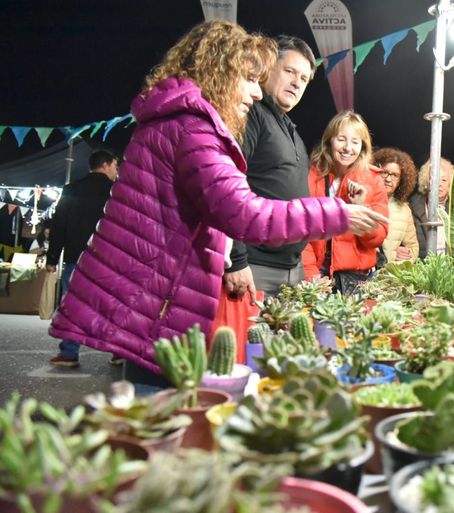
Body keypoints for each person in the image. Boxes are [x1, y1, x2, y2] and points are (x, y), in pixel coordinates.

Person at [48, 21, 386, 379]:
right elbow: (241, 212)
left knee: (165, 400)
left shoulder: (177, 118)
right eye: (251, 79)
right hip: (161, 292)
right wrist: (334, 213)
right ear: (221, 71)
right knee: (167, 402)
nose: (256, 94)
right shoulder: (193, 127)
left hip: (160, 289)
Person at [224, 35, 319, 299]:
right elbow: (226, 185)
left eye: (303, 79)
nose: (296, 83)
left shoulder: (293, 132)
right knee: (250, 341)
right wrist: (236, 259)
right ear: (269, 68)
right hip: (254, 269)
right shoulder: (252, 115)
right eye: (289, 71)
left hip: (291, 269)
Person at [46, 149, 119, 368]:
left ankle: (69, 353)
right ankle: (118, 352)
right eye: (115, 165)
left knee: (73, 306)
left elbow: (59, 226)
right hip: (108, 260)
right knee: (112, 306)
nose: (117, 171)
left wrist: (52, 258)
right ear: (105, 165)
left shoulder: (71, 189)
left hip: (75, 258)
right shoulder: (116, 192)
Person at [302, 111, 389, 293]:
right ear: (330, 141)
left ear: (362, 147)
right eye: (341, 139)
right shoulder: (311, 175)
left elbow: (378, 238)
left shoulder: (373, 179)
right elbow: (302, 229)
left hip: (357, 280)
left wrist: (361, 209)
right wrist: (311, 274)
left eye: (355, 142)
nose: (348, 148)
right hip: (317, 276)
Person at [372, 147, 419, 263]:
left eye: (395, 175)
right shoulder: (363, 200)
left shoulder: (404, 210)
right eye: (384, 173)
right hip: (363, 275)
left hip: (389, 276)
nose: (388, 179)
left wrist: (404, 257)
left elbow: (413, 248)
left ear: (401, 181)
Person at [408, 157, 454, 259]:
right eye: (435, 179)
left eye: (444, 180)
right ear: (426, 182)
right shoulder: (411, 208)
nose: (440, 184)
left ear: (450, 184)